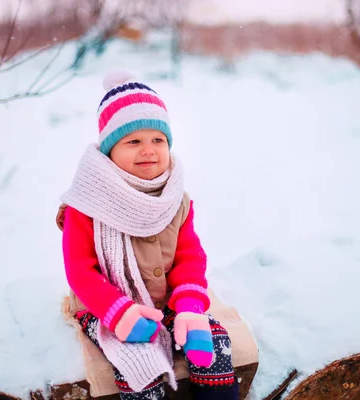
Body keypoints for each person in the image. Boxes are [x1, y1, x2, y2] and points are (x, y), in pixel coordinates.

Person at [57, 70, 239, 400]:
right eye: (133, 141)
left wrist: (188, 308)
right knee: (139, 363)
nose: (149, 151)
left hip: (166, 300)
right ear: (109, 150)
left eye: (158, 140)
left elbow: (189, 257)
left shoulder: (175, 199)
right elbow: (80, 272)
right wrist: (119, 312)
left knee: (213, 345)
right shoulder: (86, 206)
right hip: (107, 306)